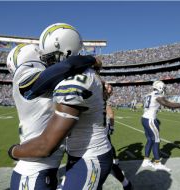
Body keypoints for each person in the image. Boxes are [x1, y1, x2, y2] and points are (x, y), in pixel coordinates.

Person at [9, 23, 113, 190]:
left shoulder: (76, 79)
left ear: (67, 51)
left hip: (89, 155)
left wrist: (13, 151)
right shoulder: (76, 76)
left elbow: (46, 145)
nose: (48, 64)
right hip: (80, 154)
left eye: (50, 58)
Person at [141, 80, 180, 172]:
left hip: (144, 118)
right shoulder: (157, 95)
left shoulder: (149, 94)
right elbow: (169, 105)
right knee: (156, 140)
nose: (164, 89)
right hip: (150, 120)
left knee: (150, 140)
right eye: (163, 88)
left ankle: (146, 160)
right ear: (160, 87)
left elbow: (166, 102)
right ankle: (157, 163)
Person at [106, 103, 132, 190]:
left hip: (100, 132)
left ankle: (126, 183)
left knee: (107, 152)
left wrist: (112, 127)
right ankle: (126, 184)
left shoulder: (101, 100)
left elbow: (111, 113)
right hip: (98, 132)